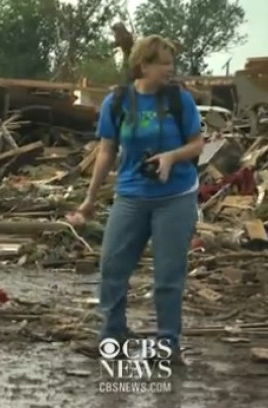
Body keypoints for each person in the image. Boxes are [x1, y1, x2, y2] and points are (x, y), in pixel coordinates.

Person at [68, 35, 204, 364]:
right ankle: (112, 337)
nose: (171, 70)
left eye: (172, 64)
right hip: (130, 194)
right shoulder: (117, 102)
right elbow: (105, 151)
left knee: (168, 275)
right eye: (164, 64)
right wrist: (90, 199)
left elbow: (198, 144)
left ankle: (168, 347)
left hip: (176, 196)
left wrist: (171, 157)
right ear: (143, 65)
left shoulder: (179, 100)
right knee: (113, 267)